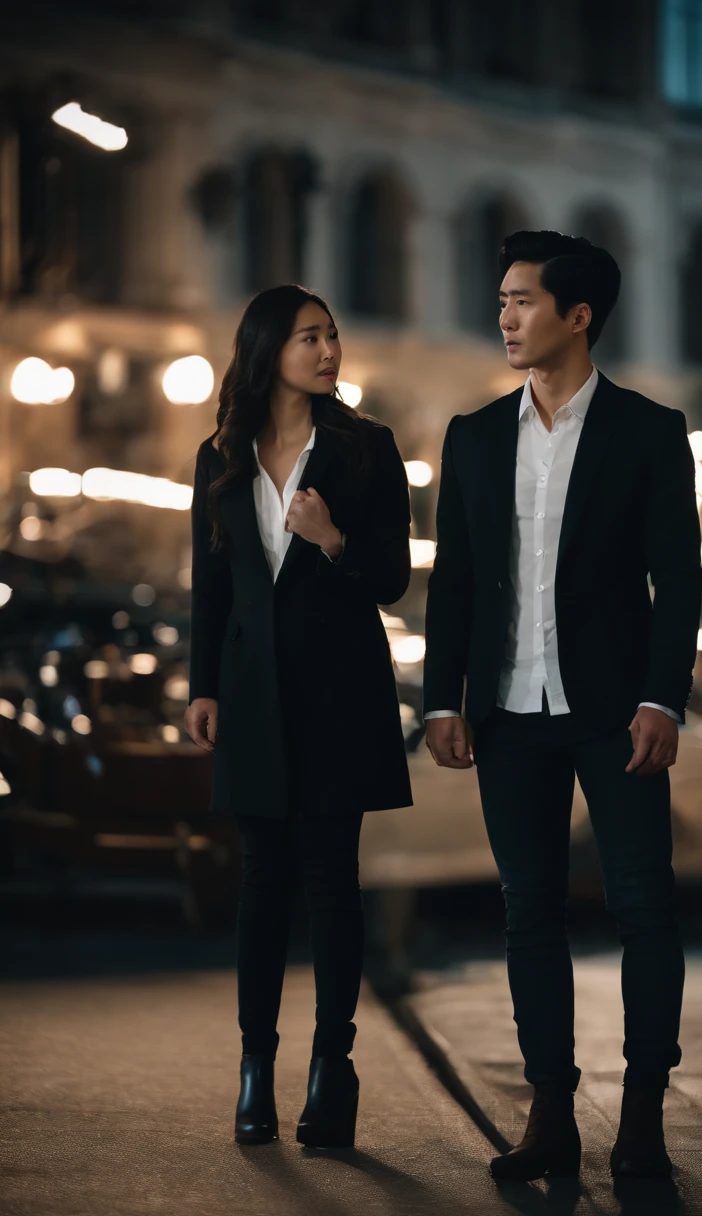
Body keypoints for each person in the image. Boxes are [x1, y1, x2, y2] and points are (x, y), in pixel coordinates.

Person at [423, 231, 702, 1181]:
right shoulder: (471, 435)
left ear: (578, 316)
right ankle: (551, 1115)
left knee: (643, 909)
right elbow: (453, 583)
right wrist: (440, 702)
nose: (504, 316)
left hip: (616, 713)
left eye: (523, 301)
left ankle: (645, 1118)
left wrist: (665, 697)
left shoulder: (649, 430)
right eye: (500, 299)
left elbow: (681, 577)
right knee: (528, 913)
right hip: (505, 711)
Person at [184, 285, 413, 1148]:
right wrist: (202, 685)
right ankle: (254, 1068)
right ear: (268, 348)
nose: (329, 350)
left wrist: (332, 540)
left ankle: (332, 1068)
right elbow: (211, 585)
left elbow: (391, 576)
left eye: (333, 335)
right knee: (260, 887)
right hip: (249, 697)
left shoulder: (366, 449)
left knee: (330, 884)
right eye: (310, 337)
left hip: (339, 694)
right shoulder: (219, 456)